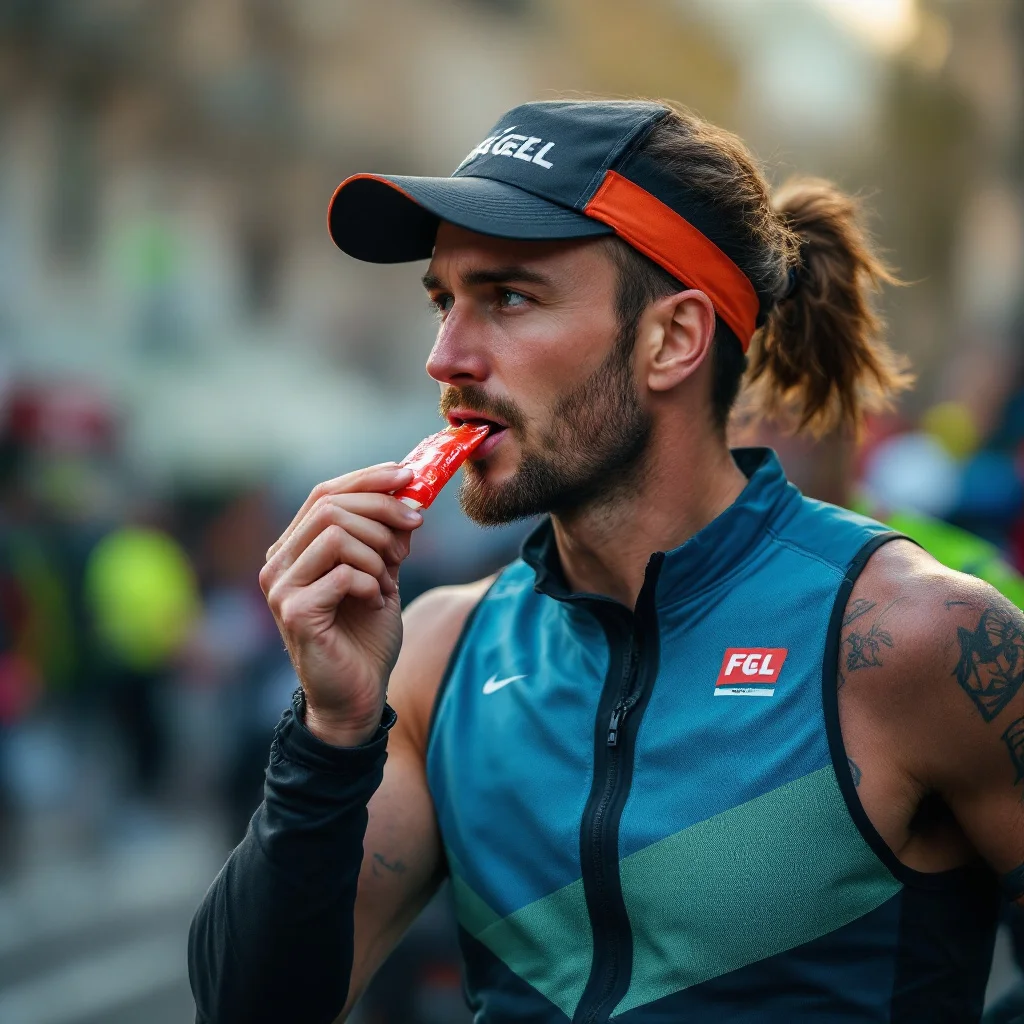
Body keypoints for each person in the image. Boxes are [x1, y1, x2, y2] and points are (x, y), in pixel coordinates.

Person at [189, 100, 1024, 1023]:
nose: (445, 357)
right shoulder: (438, 657)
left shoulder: (917, 639)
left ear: (673, 339)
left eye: (508, 297)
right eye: (443, 300)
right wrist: (331, 731)